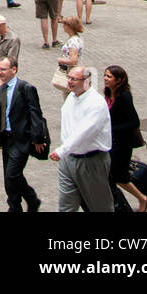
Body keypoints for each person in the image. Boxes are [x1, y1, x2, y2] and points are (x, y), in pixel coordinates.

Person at [0, 56, 46, 212]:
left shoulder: (26, 88)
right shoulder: (2, 89)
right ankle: (14, 206)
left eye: (3, 69)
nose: (0, 72)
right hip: (6, 139)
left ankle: (31, 198)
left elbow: (36, 114)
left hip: (21, 139)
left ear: (14, 70)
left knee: (12, 174)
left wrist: (37, 138)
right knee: (8, 177)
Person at [49, 66, 114, 212]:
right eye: (69, 78)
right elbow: (67, 128)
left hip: (91, 162)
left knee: (100, 207)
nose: (69, 82)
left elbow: (84, 132)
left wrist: (62, 150)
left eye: (74, 79)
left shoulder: (96, 103)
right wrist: (64, 152)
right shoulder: (71, 98)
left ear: (86, 81)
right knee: (66, 206)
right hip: (68, 160)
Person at [103, 65, 147, 212]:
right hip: (111, 142)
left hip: (123, 144)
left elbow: (134, 122)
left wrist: (113, 128)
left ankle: (143, 199)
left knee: (118, 176)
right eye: (105, 75)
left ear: (119, 80)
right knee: (112, 175)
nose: (105, 78)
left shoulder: (124, 96)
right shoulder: (107, 93)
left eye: (109, 76)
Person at [54, 16, 84, 98]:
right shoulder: (76, 38)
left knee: (68, 94)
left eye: (64, 25)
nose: (63, 26)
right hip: (74, 71)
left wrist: (61, 60)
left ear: (70, 26)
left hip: (71, 71)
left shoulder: (72, 42)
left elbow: (73, 61)